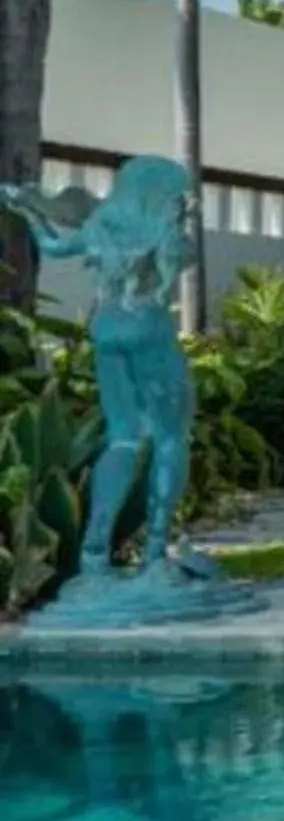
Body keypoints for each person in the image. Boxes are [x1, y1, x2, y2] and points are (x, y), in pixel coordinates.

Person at [1, 157, 196, 580]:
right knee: (170, 438)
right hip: (147, 328)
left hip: (107, 328)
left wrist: (30, 212)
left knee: (123, 438)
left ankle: (94, 550)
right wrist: (175, 226)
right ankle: (156, 552)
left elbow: (52, 247)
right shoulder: (162, 229)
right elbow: (174, 265)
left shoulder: (102, 226)